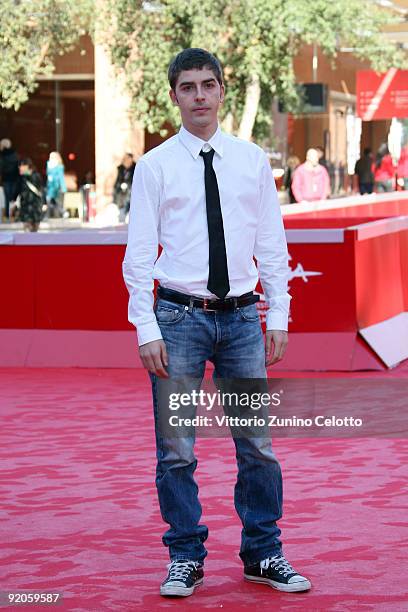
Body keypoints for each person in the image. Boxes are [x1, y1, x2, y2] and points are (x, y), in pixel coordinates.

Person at [122, 48, 311, 598]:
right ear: (175, 95)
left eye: (208, 84)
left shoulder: (252, 161)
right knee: (177, 448)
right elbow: (137, 257)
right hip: (177, 320)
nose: (200, 95)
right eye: (188, 87)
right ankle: (184, 556)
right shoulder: (155, 167)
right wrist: (146, 327)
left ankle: (263, 552)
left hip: (242, 324)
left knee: (257, 445)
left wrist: (278, 312)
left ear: (223, 90)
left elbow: (272, 244)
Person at [17, 159, 44, 232]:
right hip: (25, 206)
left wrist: (44, 203)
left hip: (35, 206)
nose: (19, 167)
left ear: (27, 166)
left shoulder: (36, 176)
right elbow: (19, 191)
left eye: (21, 165)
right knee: (26, 228)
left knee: (35, 229)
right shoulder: (22, 178)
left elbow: (41, 191)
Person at [0, 138, 20, 219]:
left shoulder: (2, 155)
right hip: (14, 178)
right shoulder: (14, 154)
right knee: (13, 197)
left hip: (6, 178)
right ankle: (13, 214)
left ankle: (7, 215)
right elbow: (17, 166)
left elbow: (1, 167)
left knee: (7, 197)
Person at [113, 153, 136, 222]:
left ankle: (127, 212)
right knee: (118, 195)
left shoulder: (135, 168)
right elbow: (117, 180)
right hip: (121, 190)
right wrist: (120, 185)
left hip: (131, 189)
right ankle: (121, 211)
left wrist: (128, 185)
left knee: (129, 196)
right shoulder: (121, 169)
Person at [45, 152, 67, 218]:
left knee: (58, 203)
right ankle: (47, 215)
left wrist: (63, 188)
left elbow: (61, 177)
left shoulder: (59, 167)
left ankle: (61, 213)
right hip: (50, 187)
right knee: (48, 201)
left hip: (57, 187)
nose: (50, 158)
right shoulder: (49, 165)